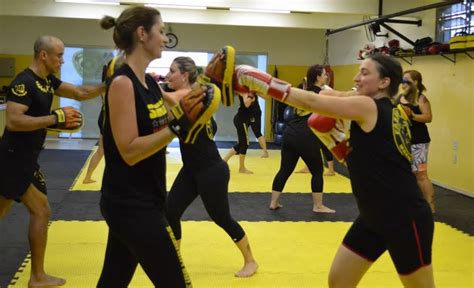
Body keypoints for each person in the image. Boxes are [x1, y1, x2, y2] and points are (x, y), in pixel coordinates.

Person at [233, 53, 435, 287]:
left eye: (365, 73)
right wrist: (341, 147)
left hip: (403, 216)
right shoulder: (390, 108)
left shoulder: (368, 105)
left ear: (384, 82)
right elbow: (379, 161)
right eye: (359, 71)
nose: (357, 77)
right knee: (339, 281)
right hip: (372, 216)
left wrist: (262, 82)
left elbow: (312, 102)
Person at [96, 6, 222, 287]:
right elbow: (129, 150)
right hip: (131, 205)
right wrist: (177, 127)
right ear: (142, 34)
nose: (165, 38)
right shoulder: (122, 84)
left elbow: (179, 102)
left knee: (113, 280)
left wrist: (209, 83)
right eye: (161, 31)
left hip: (146, 198)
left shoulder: (150, 84)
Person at [0, 35, 105, 287]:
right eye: (59, 55)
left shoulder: (47, 81)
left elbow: (79, 92)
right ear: (43, 55)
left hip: (24, 159)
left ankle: (37, 275)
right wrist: (53, 118)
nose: (62, 60)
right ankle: (37, 277)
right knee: (42, 210)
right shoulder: (24, 82)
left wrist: (110, 84)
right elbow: (13, 121)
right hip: (14, 158)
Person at [164, 56, 258, 277]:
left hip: (211, 171)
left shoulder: (189, 97)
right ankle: (174, 261)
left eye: (172, 71)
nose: (168, 75)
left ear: (184, 76)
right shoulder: (194, 95)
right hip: (191, 170)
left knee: (221, 218)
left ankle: (251, 261)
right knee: (170, 212)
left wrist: (142, 83)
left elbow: (169, 97)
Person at [268, 65, 335, 213]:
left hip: (289, 134)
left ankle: (274, 202)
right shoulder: (322, 94)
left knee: (284, 170)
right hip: (306, 136)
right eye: (324, 75)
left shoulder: (303, 93)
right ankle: (318, 206)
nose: (326, 77)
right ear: (318, 77)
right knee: (317, 171)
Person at [399, 70, 435, 213]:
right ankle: (411, 203)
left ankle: (430, 206)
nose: (403, 83)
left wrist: (412, 115)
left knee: (421, 175)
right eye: (403, 80)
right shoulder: (400, 98)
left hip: (419, 141)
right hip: (402, 140)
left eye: (407, 80)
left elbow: (428, 117)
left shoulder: (421, 98)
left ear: (415, 82)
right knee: (406, 173)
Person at [294, 75, 336, 176]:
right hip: (313, 119)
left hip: (322, 119)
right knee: (308, 144)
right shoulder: (310, 91)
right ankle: (307, 166)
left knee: (324, 145)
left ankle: (331, 169)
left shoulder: (326, 90)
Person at [222, 93, 258, 173]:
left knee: (241, 144)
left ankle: (223, 162)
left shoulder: (250, 91)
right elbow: (246, 104)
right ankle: (241, 168)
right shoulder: (246, 92)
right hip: (241, 120)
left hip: (243, 120)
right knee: (245, 144)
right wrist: (251, 97)